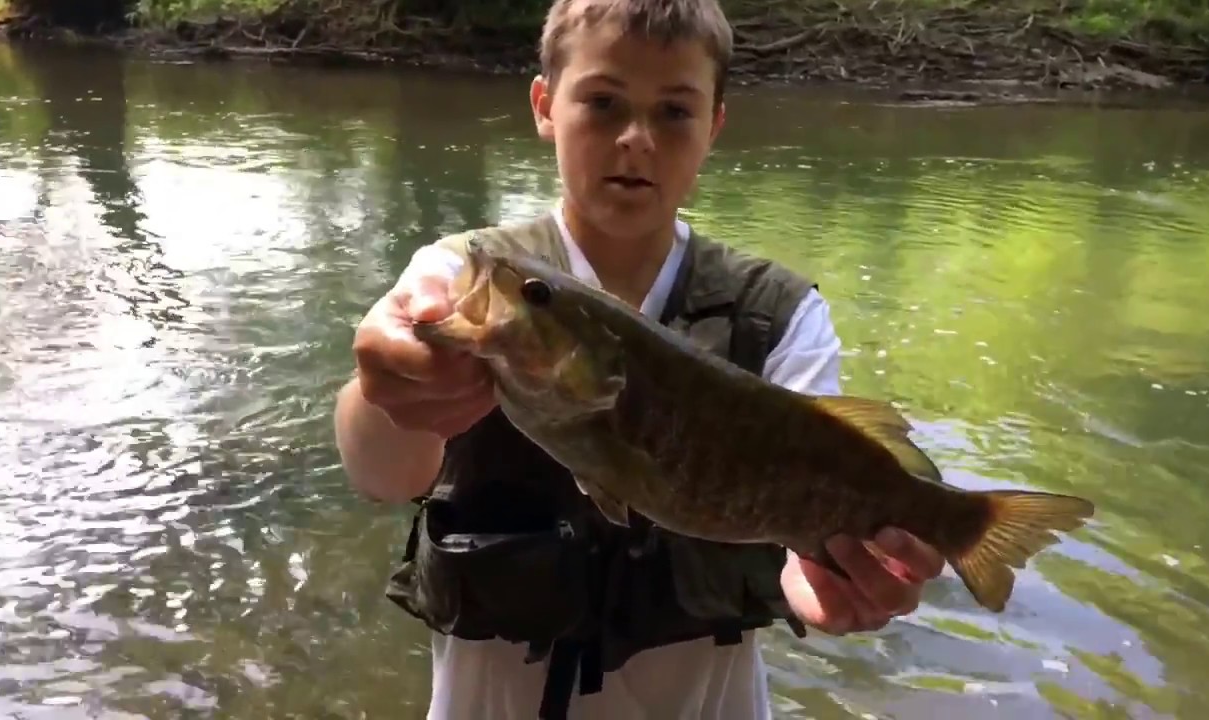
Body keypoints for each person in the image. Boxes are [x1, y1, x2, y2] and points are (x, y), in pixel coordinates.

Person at [332, 0, 947, 717]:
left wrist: (826, 585)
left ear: (715, 124)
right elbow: (379, 472)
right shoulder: (467, 274)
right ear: (545, 106)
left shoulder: (779, 315)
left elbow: (810, 528)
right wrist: (387, 389)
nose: (635, 139)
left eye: (674, 112)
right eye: (602, 102)